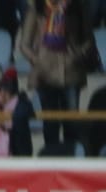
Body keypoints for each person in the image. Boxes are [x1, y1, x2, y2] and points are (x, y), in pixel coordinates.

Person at [18, 0, 95, 151]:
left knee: (72, 122)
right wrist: (37, 60)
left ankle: (71, 158)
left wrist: (77, 55)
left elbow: (88, 39)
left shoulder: (77, 6)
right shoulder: (37, 7)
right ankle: (51, 158)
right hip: (45, 74)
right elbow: (24, 44)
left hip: (71, 72)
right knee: (50, 123)